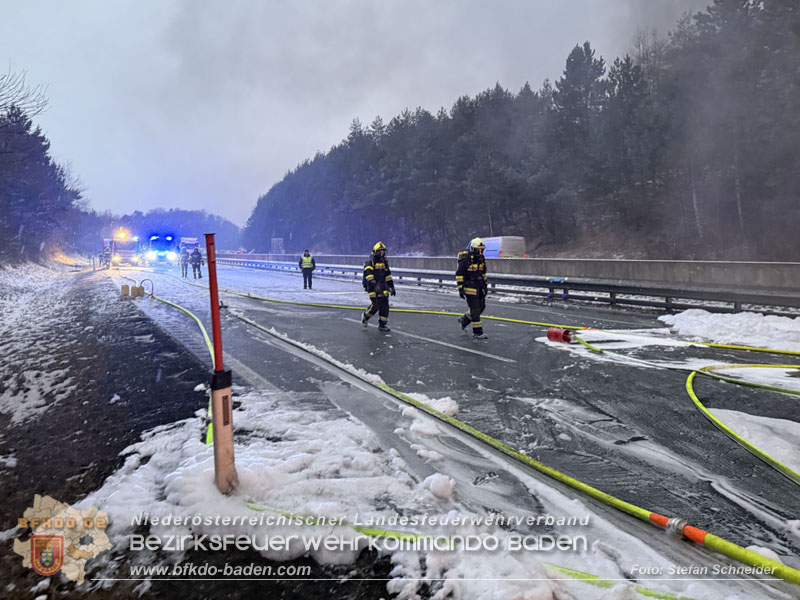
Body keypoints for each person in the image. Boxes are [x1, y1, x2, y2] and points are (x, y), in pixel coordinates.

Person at [456, 237, 488, 339]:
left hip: (479, 286)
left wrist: (485, 286)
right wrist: (461, 288)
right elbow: (459, 273)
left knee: (481, 307)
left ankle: (464, 320)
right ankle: (477, 332)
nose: (480, 252)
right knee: (475, 309)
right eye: (478, 250)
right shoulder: (466, 259)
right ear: (472, 249)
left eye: (482, 250)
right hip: (469, 287)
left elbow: (483, 273)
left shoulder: (481, 259)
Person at [361, 241, 395, 332]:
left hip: (383, 287)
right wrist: (374, 284)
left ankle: (382, 325)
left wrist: (392, 287)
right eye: (380, 251)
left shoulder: (384, 262)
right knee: (376, 305)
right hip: (372, 287)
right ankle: (365, 316)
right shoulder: (370, 262)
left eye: (383, 251)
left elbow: (388, 275)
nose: (382, 253)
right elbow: (368, 275)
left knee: (384, 305)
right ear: (376, 251)